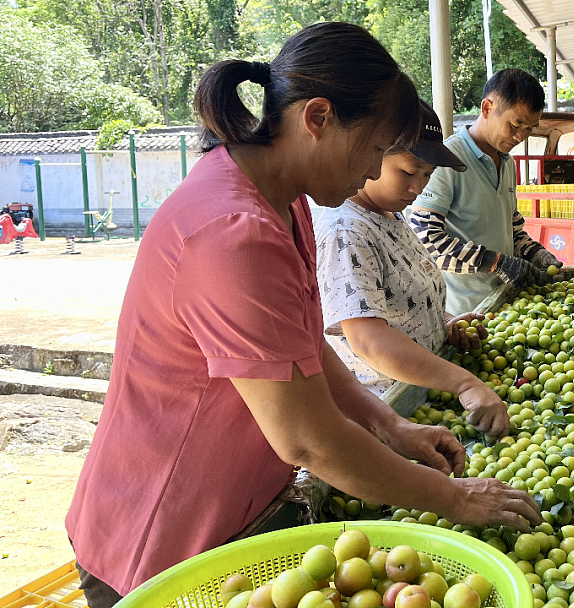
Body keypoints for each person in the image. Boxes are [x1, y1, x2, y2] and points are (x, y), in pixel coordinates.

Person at [65, 23, 540, 608]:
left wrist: (390, 426)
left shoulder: (286, 205)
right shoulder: (232, 233)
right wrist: (457, 499)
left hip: (230, 517)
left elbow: (304, 349)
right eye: (373, 149)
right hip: (161, 537)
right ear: (317, 119)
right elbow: (309, 442)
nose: (373, 172)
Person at [316, 100, 511, 437]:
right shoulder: (345, 231)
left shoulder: (391, 215)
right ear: (371, 155)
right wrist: (465, 384)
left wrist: (446, 323)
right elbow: (368, 339)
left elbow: (398, 301)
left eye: (427, 175)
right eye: (408, 172)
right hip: (386, 415)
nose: (418, 187)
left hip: (423, 396)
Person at [408, 68, 562, 315]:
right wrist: (494, 262)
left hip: (504, 305)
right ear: (487, 108)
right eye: (515, 124)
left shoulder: (508, 163)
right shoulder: (447, 160)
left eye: (530, 129)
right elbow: (425, 241)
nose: (520, 136)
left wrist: (536, 254)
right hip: (461, 314)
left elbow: (511, 231)